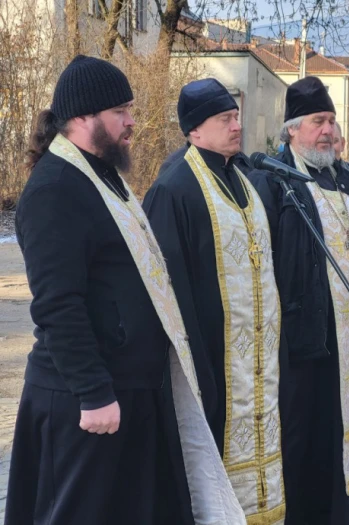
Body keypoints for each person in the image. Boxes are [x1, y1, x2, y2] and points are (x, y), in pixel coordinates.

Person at [5, 56, 245, 525]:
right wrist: (93, 393)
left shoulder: (102, 176)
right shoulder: (55, 187)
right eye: (120, 111)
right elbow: (58, 305)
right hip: (86, 403)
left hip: (130, 391)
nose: (132, 121)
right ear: (81, 117)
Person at [247, 76, 349, 525]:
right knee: (306, 437)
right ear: (292, 129)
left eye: (331, 120)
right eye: (317, 121)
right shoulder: (269, 180)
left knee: (342, 436)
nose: (328, 130)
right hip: (304, 339)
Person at [142, 78, 284, 522]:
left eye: (236, 116)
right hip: (210, 360)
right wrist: (196, 361)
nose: (237, 125)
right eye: (225, 119)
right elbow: (168, 289)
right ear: (194, 130)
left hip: (258, 363)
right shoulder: (173, 189)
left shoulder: (245, 180)